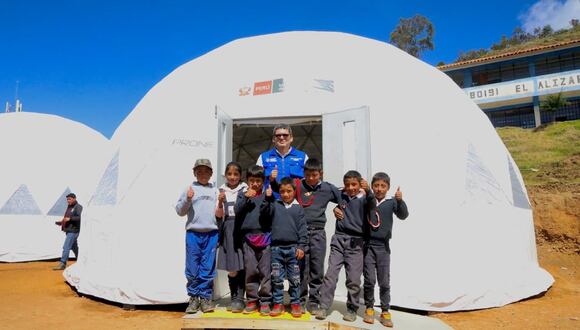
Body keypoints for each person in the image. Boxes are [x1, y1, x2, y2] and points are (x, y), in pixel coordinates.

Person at [271, 158, 342, 313]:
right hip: (299, 234)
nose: (311, 178)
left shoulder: (328, 188)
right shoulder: (298, 185)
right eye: (308, 174)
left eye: (314, 175)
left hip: (318, 233)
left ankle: (314, 301)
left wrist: (338, 208)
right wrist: (271, 179)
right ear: (304, 173)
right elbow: (280, 188)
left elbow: (344, 198)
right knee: (300, 268)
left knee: (316, 269)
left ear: (320, 174)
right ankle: (300, 300)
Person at [315, 170, 374, 322]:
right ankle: (323, 306)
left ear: (360, 183)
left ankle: (352, 309)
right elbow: (326, 188)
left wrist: (368, 190)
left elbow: (373, 204)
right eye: (347, 184)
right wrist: (335, 208)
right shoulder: (341, 195)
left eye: (354, 184)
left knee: (353, 279)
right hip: (339, 240)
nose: (351, 187)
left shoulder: (365, 198)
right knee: (330, 276)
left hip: (356, 242)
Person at [363, 172, 408, 327]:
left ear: (388, 187)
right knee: (369, 280)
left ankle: (385, 310)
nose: (379, 189)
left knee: (384, 281)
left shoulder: (392, 202)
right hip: (368, 246)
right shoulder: (368, 200)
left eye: (383, 186)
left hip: (383, 248)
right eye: (376, 185)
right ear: (372, 186)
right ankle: (369, 308)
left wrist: (400, 201)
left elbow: (403, 215)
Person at [176, 159, 221, 314]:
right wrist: (188, 199)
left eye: (206, 171)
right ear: (194, 173)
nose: (203, 174)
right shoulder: (189, 189)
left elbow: (219, 213)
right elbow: (180, 211)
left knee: (208, 266)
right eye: (199, 171)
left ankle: (206, 297)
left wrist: (221, 204)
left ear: (211, 173)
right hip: (193, 233)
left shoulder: (215, 190)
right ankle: (194, 297)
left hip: (211, 233)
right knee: (192, 266)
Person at [263, 178, 308, 317]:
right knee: (277, 278)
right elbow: (265, 213)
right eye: (282, 191)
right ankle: (278, 303)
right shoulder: (275, 204)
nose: (286, 194)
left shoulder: (298, 208)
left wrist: (301, 246)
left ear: (294, 191)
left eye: (289, 191)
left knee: (295, 278)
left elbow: (303, 229)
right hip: (276, 249)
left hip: (294, 249)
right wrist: (268, 197)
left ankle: (295, 303)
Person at [234, 165, 272, 315]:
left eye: (258, 180)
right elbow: (237, 211)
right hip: (247, 239)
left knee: (265, 272)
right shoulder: (242, 195)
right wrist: (246, 198)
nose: (255, 184)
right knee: (250, 271)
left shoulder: (268, 195)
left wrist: (268, 199)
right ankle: (251, 300)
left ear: (263, 181)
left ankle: (265, 302)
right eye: (252, 180)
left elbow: (269, 214)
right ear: (247, 181)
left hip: (265, 237)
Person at [216, 162, 247, 313]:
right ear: (225, 175)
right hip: (228, 229)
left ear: (240, 176)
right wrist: (220, 203)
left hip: (242, 229)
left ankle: (240, 298)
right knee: (232, 266)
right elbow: (218, 215)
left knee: (243, 265)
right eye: (230, 174)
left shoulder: (245, 189)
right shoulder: (221, 191)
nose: (233, 177)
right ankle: (234, 297)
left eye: (236, 174)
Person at [256, 124, 308, 194]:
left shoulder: (302, 156)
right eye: (278, 135)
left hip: (296, 200)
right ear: (273, 139)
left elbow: (309, 180)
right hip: (271, 201)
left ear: (291, 138)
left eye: (285, 135)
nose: (281, 137)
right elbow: (256, 181)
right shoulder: (263, 157)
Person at [52, 193, 82, 271]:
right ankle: (81, 261)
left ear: (74, 198)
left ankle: (62, 263)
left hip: (73, 231)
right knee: (74, 247)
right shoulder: (70, 207)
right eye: (67, 199)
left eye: (70, 199)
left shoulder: (78, 207)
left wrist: (70, 219)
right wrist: (61, 222)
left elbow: (80, 217)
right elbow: (67, 218)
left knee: (66, 247)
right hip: (69, 230)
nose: (68, 201)